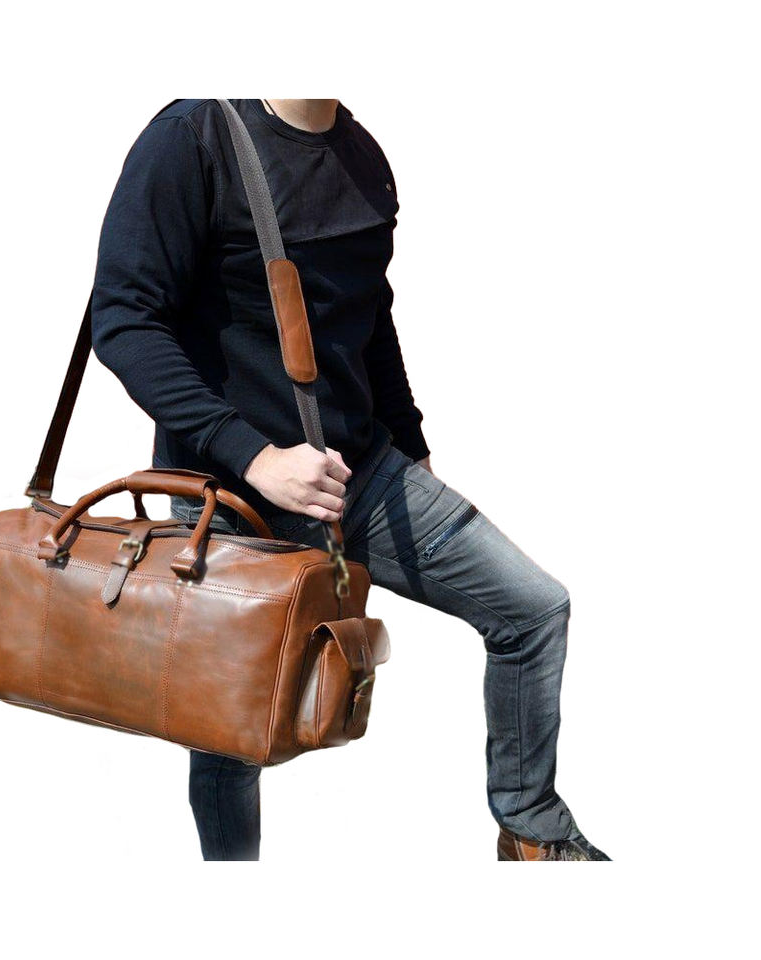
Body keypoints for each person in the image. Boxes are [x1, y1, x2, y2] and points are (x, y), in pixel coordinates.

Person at [91, 98, 610, 862]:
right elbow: (124, 320)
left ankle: (533, 833)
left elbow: (369, 316)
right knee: (229, 735)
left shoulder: (362, 156)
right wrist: (255, 457)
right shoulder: (191, 137)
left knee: (533, 611)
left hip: (360, 477)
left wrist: (411, 443)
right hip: (229, 502)